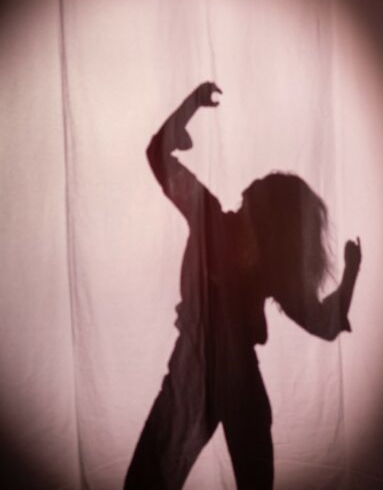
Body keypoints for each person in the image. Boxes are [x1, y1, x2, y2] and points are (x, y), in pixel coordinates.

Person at [124, 82, 361, 490]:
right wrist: (191, 105)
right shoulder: (211, 218)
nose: (250, 186)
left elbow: (323, 323)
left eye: (261, 187)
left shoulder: (267, 265)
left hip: (228, 380)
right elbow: (157, 154)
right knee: (147, 480)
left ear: (272, 217)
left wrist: (352, 274)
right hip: (195, 371)